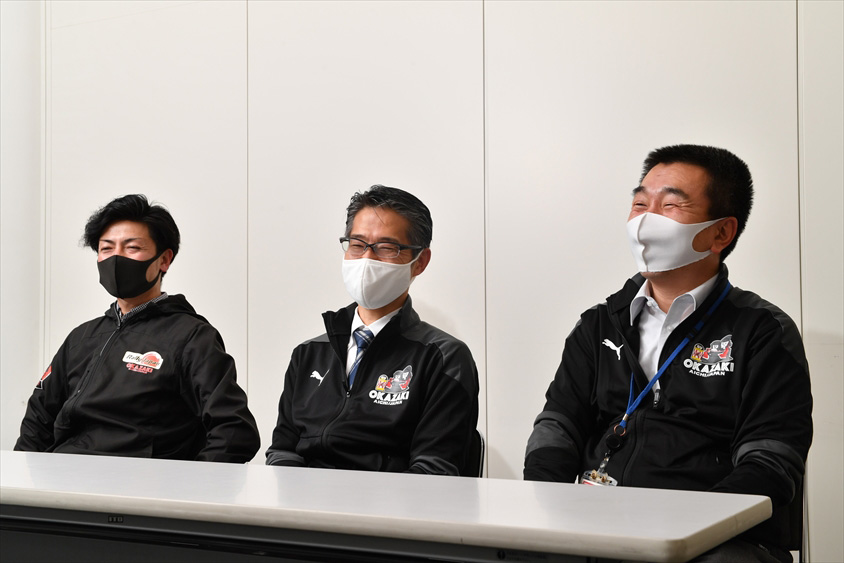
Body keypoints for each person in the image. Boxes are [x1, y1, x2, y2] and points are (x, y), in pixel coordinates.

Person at [524, 145, 812, 562]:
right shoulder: (599, 324)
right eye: (640, 204)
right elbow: (557, 425)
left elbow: (772, 460)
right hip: (597, 525)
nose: (646, 220)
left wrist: (688, 527)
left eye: (670, 205)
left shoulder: (762, 331)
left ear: (721, 233)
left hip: (714, 540)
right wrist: (545, 507)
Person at [15, 194, 260, 463]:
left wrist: (190, 484)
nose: (116, 258)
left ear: (164, 260)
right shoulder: (81, 338)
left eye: (132, 247)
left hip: (138, 483)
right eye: (106, 248)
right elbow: (37, 423)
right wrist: (21, 480)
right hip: (64, 477)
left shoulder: (191, 337)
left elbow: (235, 432)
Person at [266, 185, 479, 475]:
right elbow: (282, 451)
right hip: (305, 500)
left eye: (386, 247)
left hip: (390, 503)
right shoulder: (308, 354)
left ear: (420, 262)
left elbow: (434, 471)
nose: (367, 259)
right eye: (357, 244)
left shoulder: (442, 358)